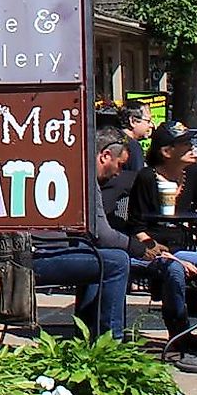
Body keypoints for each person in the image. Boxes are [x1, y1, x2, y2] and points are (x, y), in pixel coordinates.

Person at [29, 138, 135, 339]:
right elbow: (102, 235)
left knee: (98, 256)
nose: (118, 173)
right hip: (38, 256)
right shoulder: (83, 175)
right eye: (119, 165)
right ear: (105, 156)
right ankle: (112, 342)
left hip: (39, 251)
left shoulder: (65, 169)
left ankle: (86, 336)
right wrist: (137, 248)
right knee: (118, 261)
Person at [125, 124, 197, 334]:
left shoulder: (193, 172)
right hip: (150, 249)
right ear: (166, 151)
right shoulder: (147, 177)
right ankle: (180, 336)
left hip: (182, 247)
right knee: (174, 271)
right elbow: (136, 226)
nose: (192, 147)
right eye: (185, 143)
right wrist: (171, 257)